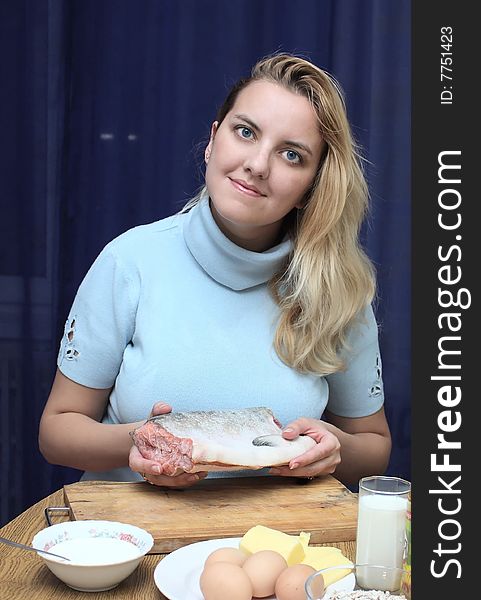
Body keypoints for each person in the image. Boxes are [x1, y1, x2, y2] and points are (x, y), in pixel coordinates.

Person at [39, 53, 391, 489]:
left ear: (311, 187)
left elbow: (373, 446)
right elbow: (56, 431)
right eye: (246, 132)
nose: (258, 164)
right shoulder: (128, 261)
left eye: (291, 155)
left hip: (271, 541)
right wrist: (146, 442)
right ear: (212, 140)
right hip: (131, 539)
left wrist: (334, 448)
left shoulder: (338, 290)